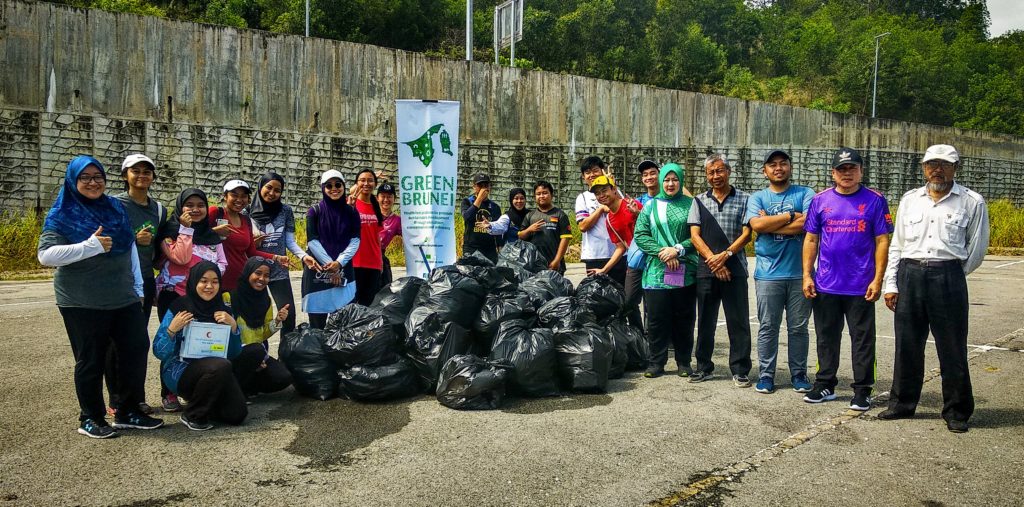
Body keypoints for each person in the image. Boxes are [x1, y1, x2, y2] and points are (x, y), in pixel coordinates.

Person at [37, 155, 164, 438]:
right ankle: (90, 417)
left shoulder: (114, 208)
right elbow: (45, 256)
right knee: (91, 359)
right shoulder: (63, 213)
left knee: (134, 349)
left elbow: (129, 245)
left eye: (98, 177)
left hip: (123, 295)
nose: (93, 182)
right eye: (86, 177)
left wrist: (139, 288)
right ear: (73, 180)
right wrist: (89, 246)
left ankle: (127, 410)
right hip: (82, 300)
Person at [880, 144, 990, 433]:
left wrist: (950, 273)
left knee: (952, 348)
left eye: (944, 164)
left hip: (948, 276)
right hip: (910, 273)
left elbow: (976, 249)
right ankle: (902, 404)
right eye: (931, 164)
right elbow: (898, 245)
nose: (937, 169)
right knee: (907, 345)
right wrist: (891, 284)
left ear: (956, 167)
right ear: (923, 167)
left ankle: (957, 412)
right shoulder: (910, 199)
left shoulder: (971, 201)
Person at [801, 148, 893, 410]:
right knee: (826, 337)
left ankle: (863, 390)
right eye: (842, 169)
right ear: (833, 173)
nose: (847, 173)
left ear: (861, 171)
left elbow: (882, 240)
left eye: (852, 168)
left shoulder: (875, 200)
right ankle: (825, 384)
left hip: (860, 286)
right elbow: (811, 239)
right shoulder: (820, 201)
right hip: (826, 284)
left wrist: (878, 279)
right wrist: (807, 275)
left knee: (863, 340)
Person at [746, 149, 815, 395]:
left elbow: (809, 224)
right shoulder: (757, 198)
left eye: (782, 163)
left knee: (798, 328)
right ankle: (766, 376)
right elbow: (756, 225)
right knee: (768, 327)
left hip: (800, 273)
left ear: (790, 167)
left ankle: (798, 374)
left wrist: (772, 223)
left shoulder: (806, 193)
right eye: (772, 165)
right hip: (767, 274)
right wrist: (790, 216)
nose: (778, 168)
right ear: (764, 170)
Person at [155, 188, 228, 411]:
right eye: (190, 205)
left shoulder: (212, 235)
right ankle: (169, 392)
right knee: (174, 342)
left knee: (198, 343)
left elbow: (222, 263)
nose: (195, 209)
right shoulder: (170, 232)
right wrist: (185, 229)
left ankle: (192, 386)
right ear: (180, 208)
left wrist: (208, 280)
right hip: (175, 296)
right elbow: (181, 257)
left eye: (200, 205)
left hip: (203, 298)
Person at [105, 153, 168, 416]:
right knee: (114, 344)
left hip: (145, 282)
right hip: (118, 283)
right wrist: (133, 238)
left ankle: (136, 398)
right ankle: (116, 399)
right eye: (135, 171)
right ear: (125, 176)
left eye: (147, 171)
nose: (142, 176)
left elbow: (160, 250)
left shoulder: (158, 209)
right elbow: (104, 241)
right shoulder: (113, 205)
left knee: (137, 343)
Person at [152, 262, 247, 431]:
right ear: (194, 282)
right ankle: (193, 414)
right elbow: (159, 351)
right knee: (220, 365)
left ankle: (206, 403)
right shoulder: (179, 307)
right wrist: (171, 330)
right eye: (203, 281)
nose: (209, 286)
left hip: (217, 371)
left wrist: (233, 327)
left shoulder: (225, 311)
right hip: (182, 372)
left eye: (215, 281)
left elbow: (233, 353)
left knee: (237, 415)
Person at [687, 154, 753, 387]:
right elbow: (695, 235)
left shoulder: (746, 199)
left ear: (729, 171)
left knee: (739, 321)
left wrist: (725, 256)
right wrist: (713, 261)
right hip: (706, 269)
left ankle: (740, 368)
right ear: (706, 175)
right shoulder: (698, 201)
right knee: (705, 320)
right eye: (710, 172)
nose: (715, 176)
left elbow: (747, 233)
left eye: (719, 171)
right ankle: (703, 366)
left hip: (735, 267)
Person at [632, 163, 699, 378]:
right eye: (667, 180)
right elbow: (641, 235)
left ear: (681, 181)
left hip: (684, 271)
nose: (670, 184)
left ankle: (683, 362)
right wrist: (663, 251)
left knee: (684, 318)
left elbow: (698, 235)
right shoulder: (650, 206)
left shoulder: (691, 204)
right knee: (656, 320)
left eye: (675, 179)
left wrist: (677, 250)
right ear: (661, 181)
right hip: (655, 273)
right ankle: (656, 363)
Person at [222, 257, 293, 396]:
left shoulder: (265, 301)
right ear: (248, 273)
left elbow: (262, 334)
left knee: (283, 377)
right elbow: (222, 336)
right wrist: (253, 357)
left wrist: (277, 321)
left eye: (266, 276)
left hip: (257, 355)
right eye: (258, 273)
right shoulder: (229, 298)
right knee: (255, 351)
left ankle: (246, 387)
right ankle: (233, 390)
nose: (262, 278)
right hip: (232, 356)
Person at [247, 172, 308, 335]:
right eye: (268, 187)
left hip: (278, 270)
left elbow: (289, 241)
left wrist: (304, 256)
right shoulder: (246, 212)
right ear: (260, 187)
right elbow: (243, 245)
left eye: (277, 190)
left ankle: (285, 355)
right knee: (256, 316)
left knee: (288, 315)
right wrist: (253, 243)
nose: (272, 193)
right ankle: (256, 355)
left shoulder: (285, 211)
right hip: (253, 272)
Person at [302, 170, 360, 329]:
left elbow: (355, 240)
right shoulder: (314, 211)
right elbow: (312, 241)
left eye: (338, 184)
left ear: (344, 186)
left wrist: (339, 263)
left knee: (345, 324)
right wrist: (331, 266)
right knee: (317, 326)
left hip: (344, 269)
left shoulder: (352, 212)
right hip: (319, 273)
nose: (334, 188)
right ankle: (318, 354)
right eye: (329, 185)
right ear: (323, 188)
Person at [587, 175, 644, 330]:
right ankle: (638, 337)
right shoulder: (609, 220)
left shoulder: (631, 205)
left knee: (654, 303)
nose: (601, 195)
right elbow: (621, 247)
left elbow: (652, 225)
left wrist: (638, 213)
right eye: (597, 193)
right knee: (629, 301)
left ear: (613, 189)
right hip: (635, 261)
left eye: (604, 190)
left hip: (652, 259)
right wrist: (604, 270)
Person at [209, 180, 286, 292]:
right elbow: (195, 235)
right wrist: (214, 231)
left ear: (248, 199)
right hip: (216, 280)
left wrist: (277, 257)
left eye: (244, 196)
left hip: (240, 280)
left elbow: (251, 252)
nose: (239, 200)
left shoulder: (246, 220)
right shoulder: (215, 212)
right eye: (234, 195)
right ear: (225, 196)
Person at [517, 181, 572, 273]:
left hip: (553, 265)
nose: (541, 196)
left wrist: (557, 260)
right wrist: (529, 230)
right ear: (535, 197)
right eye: (538, 194)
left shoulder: (560, 215)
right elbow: (520, 236)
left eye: (545, 193)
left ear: (552, 195)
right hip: (533, 265)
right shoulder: (530, 215)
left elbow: (565, 239)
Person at [575, 157, 617, 275]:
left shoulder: (615, 191)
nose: (592, 175)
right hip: (594, 255)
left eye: (595, 170)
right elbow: (582, 226)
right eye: (588, 172)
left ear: (602, 171)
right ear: (583, 177)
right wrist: (600, 210)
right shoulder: (582, 198)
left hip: (618, 254)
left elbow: (625, 212)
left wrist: (613, 186)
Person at [350, 169, 385, 305]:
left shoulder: (376, 206)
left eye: (370, 181)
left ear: (375, 185)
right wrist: (372, 175)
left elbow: (377, 236)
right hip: (354, 261)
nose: (366, 183)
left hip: (373, 263)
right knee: (351, 304)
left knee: (368, 304)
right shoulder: (351, 203)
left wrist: (380, 261)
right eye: (362, 180)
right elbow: (354, 189)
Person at [461, 172, 503, 262]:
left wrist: (500, 250)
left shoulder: (495, 207)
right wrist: (479, 199)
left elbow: (498, 231)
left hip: (489, 250)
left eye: (486, 185)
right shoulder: (467, 202)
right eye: (480, 185)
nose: (483, 188)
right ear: (474, 187)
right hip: (471, 248)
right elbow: (467, 218)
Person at [377, 182, 402, 288]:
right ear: (377, 198)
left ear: (394, 199)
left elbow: (411, 236)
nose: (386, 200)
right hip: (364, 255)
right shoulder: (370, 213)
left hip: (381, 256)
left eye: (389, 197)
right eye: (383, 196)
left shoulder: (397, 220)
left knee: (385, 288)